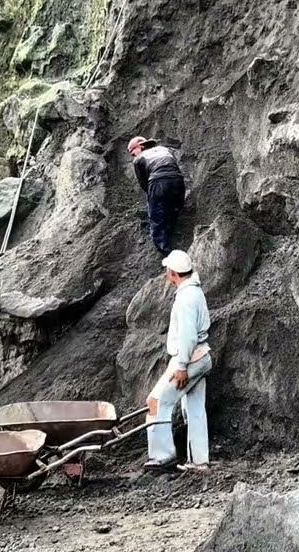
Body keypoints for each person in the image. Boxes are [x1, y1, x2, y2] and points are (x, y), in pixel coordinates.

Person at [145, 249, 212, 473]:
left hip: (189, 360)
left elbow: (187, 336)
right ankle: (200, 461)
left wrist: (182, 366)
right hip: (203, 356)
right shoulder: (195, 291)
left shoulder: (185, 298)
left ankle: (162, 457)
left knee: (157, 401)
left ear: (173, 272)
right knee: (195, 408)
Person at [127, 136, 186, 257]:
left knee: (155, 214)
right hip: (177, 179)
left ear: (139, 147)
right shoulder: (165, 149)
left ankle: (164, 250)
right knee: (174, 206)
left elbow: (144, 182)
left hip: (158, 181)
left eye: (133, 152)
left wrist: (152, 198)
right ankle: (172, 226)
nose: (133, 155)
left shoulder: (139, 158)